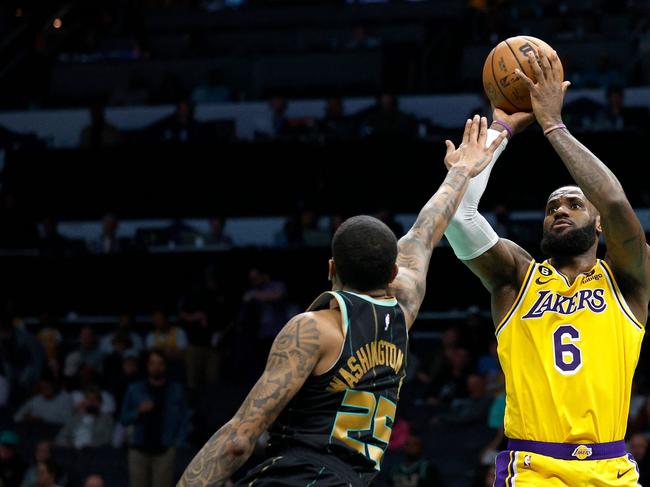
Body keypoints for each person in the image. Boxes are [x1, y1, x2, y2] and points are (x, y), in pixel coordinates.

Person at [177, 116, 507, 486]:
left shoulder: (313, 329)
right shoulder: (403, 312)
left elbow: (239, 440)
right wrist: (466, 165)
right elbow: (426, 229)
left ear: (331, 267)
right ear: (393, 275)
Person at [444, 47, 647, 485]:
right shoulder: (517, 277)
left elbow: (614, 201)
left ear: (597, 225)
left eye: (574, 203)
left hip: (611, 469)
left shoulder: (628, 278)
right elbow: (458, 218)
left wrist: (553, 125)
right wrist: (500, 130)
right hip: (533, 468)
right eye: (552, 205)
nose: (559, 209)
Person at [120, 350, 188, 487]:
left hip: (165, 450)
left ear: (165, 366)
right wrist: (138, 411)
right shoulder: (135, 389)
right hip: (138, 449)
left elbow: (184, 419)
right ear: (147, 366)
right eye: (152, 363)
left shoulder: (176, 390)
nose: (156, 367)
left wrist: (177, 443)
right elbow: (123, 418)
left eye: (160, 363)